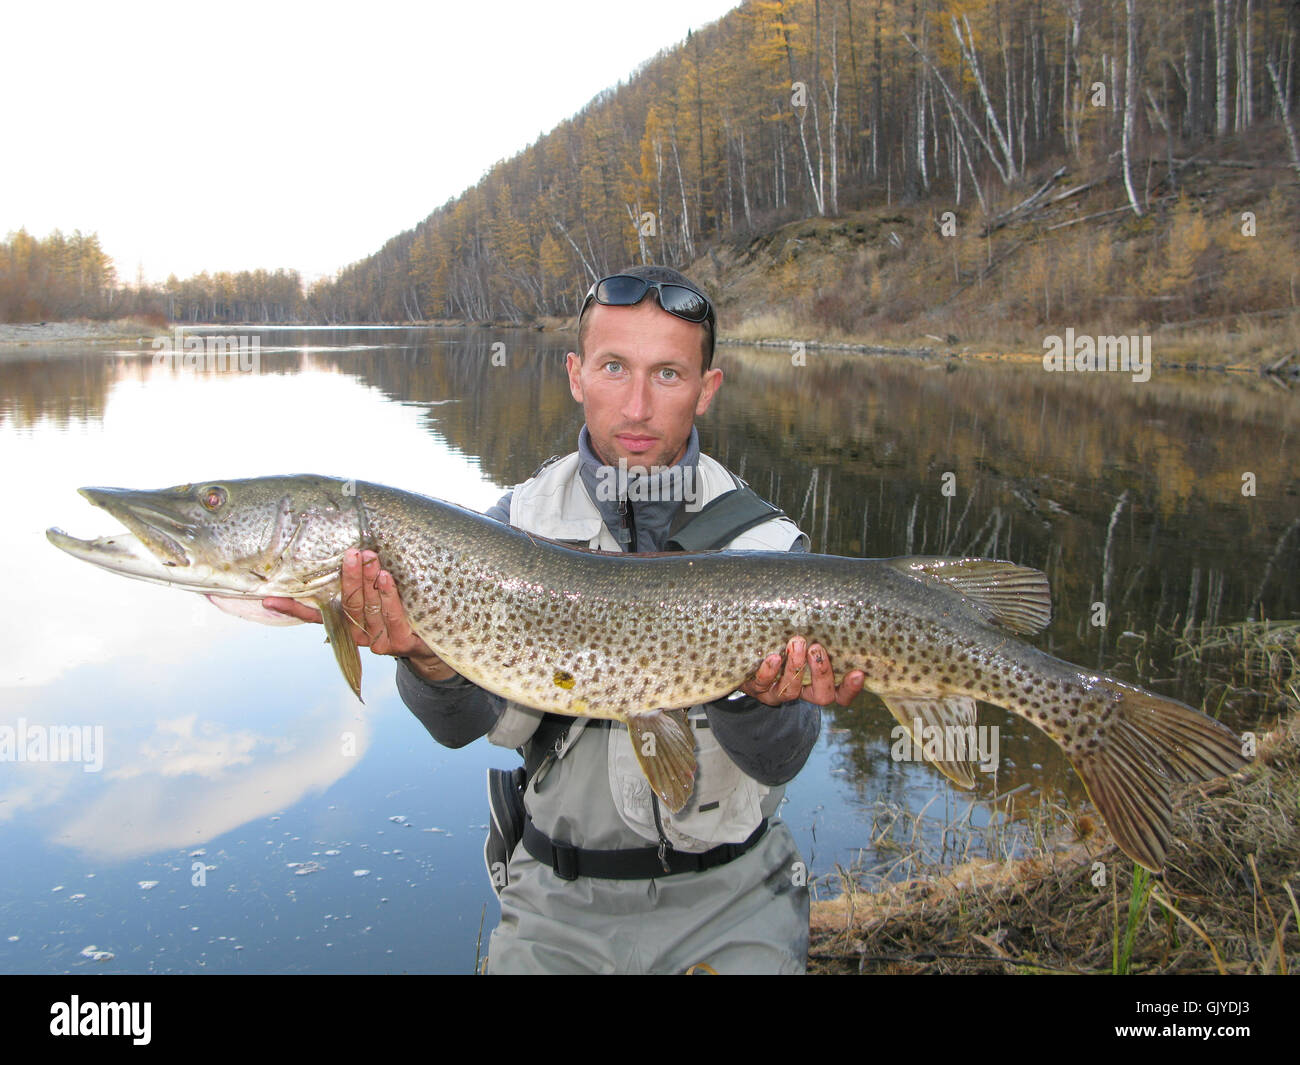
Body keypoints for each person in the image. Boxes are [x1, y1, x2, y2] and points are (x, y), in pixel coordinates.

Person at [266, 266, 864, 973]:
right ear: (577, 374)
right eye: (615, 367)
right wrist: (425, 659)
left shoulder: (769, 549)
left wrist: (748, 694)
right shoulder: (508, 531)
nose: (637, 406)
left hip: (735, 898)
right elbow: (458, 727)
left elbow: (781, 757)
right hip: (558, 899)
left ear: (707, 390)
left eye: (667, 374)